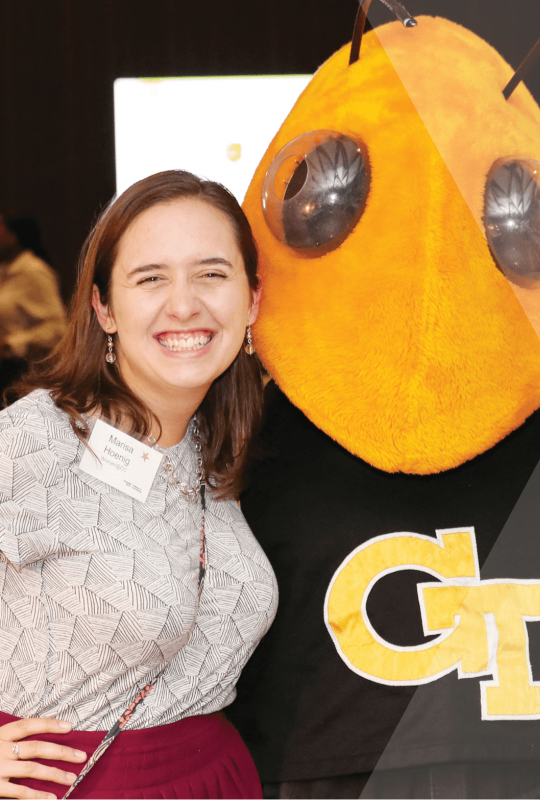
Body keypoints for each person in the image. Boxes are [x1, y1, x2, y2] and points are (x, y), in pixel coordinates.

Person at [0, 170, 277, 800]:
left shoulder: (216, 446)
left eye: (212, 273)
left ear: (252, 299)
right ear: (104, 308)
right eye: (150, 278)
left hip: (215, 778)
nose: (184, 304)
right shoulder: (36, 439)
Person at [0, 213, 67, 401]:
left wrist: (10, 344)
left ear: (14, 235)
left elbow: (58, 329)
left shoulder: (33, 271)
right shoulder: (5, 270)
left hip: (26, 376)